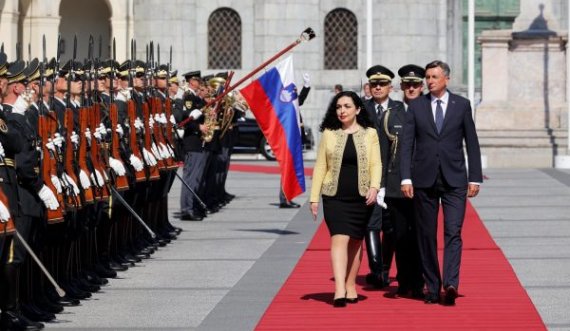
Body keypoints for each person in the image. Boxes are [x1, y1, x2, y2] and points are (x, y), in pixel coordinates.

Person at [400, 60, 483, 305]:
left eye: (434, 76)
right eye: (427, 77)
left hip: (455, 179)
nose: (429, 81)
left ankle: (451, 283)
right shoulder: (417, 106)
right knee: (426, 235)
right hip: (423, 179)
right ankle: (433, 287)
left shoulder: (462, 106)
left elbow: (472, 143)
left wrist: (475, 177)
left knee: (453, 231)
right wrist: (406, 177)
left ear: (446, 78)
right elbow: (407, 145)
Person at [310, 91, 381, 307]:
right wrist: (314, 198)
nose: (342, 111)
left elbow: (376, 164)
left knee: (356, 242)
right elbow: (321, 166)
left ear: (358, 109)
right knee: (339, 238)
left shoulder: (370, 134)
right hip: (334, 196)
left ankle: (350, 284)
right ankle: (339, 288)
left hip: (360, 197)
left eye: (347, 106)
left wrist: (375, 187)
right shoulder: (329, 134)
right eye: (339, 106)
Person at [375, 64, 426, 298]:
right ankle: (404, 282)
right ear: (401, 87)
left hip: (424, 183)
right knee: (400, 236)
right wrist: (382, 185)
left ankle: (421, 281)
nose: (411, 88)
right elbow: (383, 153)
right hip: (396, 185)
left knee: (421, 235)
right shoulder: (390, 115)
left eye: (415, 84)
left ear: (422, 86)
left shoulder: (429, 110)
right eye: (407, 84)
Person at [362, 65, 403, 288]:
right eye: (374, 84)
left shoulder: (400, 109)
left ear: (391, 86)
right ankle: (376, 269)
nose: (378, 87)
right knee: (371, 223)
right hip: (368, 178)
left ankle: (386, 268)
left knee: (390, 226)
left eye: (382, 84)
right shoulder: (361, 109)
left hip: (394, 177)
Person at [279, 73, 310, 208]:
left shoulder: (291, 104)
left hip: (294, 140)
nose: (295, 94)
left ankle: (287, 197)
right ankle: (284, 198)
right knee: (288, 171)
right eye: (293, 91)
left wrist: (306, 86)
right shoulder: (285, 106)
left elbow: (300, 100)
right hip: (288, 142)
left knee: (292, 171)